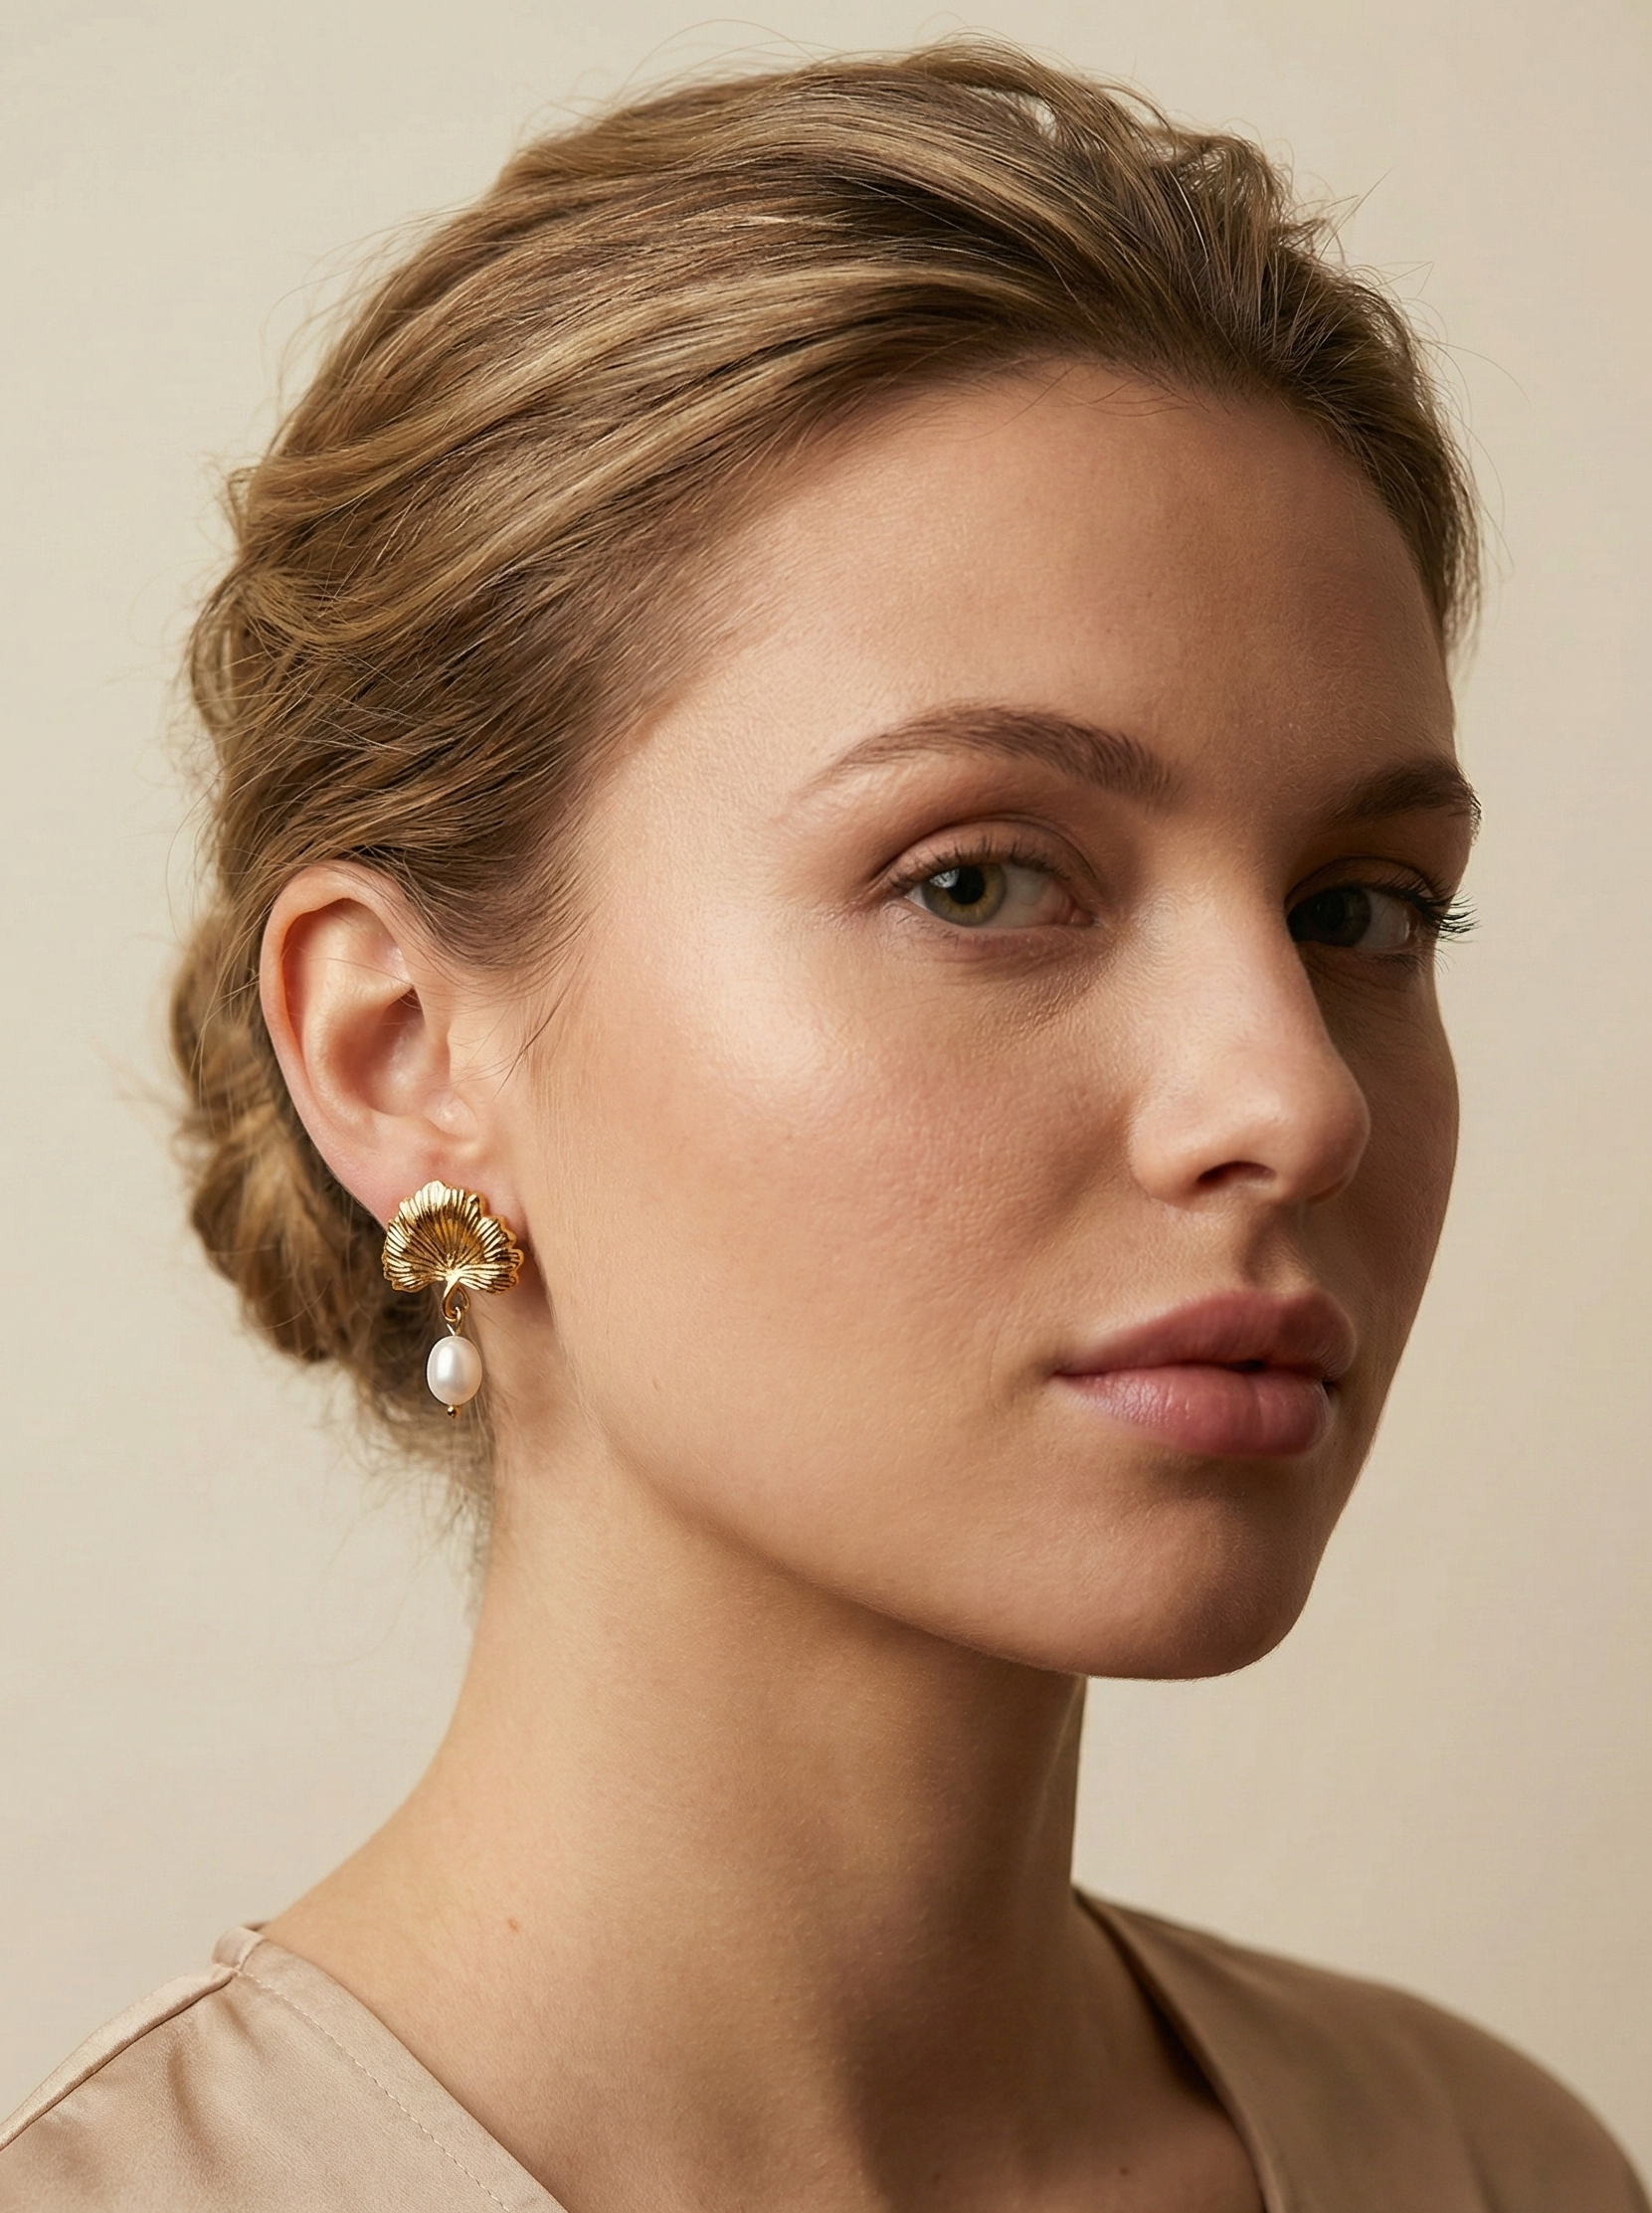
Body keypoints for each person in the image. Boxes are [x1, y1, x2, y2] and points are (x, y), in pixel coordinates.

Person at [2, 40, 1643, 2213]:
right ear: (402, 1051)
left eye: (1358, 908)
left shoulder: (1494, 2166)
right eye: (973, 877)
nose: (1294, 1095)